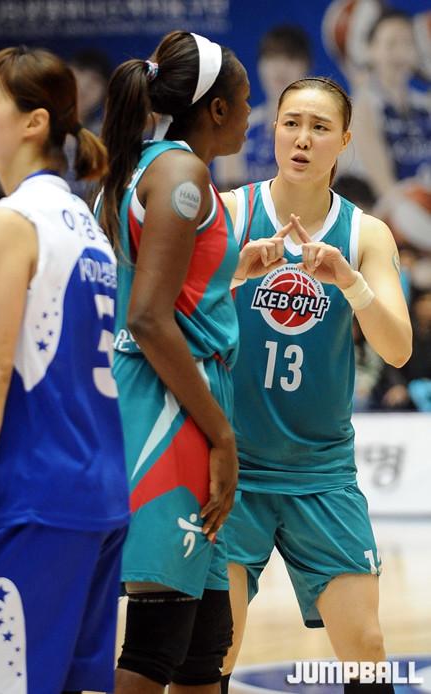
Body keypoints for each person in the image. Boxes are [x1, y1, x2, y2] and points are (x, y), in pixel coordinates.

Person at [0, 46, 129, 694]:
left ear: (34, 122)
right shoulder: (87, 226)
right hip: (99, 499)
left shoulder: (9, 221)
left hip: (33, 501)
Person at [220, 77, 412, 693]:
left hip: (321, 471)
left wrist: (351, 284)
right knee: (214, 653)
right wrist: (233, 277)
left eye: (320, 127)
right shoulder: (230, 213)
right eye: (292, 123)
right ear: (274, 130)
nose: (303, 139)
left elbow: (398, 349)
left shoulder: (366, 233)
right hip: (232, 469)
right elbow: (175, 320)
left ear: (345, 142)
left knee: (366, 649)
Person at [96, 29, 252, 694]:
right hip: (171, 412)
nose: (251, 113)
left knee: (203, 647)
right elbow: (149, 317)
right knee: (156, 646)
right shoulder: (182, 174)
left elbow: (168, 292)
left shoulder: (144, 165)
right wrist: (222, 435)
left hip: (161, 392)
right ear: (216, 109)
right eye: (246, 100)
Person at [214, 24, 311, 190]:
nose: (280, 68)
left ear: (307, 66)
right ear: (260, 66)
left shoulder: (323, 129)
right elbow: (227, 190)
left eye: (291, 58)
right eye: (272, 58)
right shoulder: (237, 127)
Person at [349, 9, 431, 200]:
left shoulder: (424, 105)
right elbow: (385, 189)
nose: (401, 53)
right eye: (391, 44)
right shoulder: (362, 108)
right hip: (385, 212)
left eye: (408, 43)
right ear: (371, 50)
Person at [64, 47, 113, 198]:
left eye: (95, 80)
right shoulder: (33, 128)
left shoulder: (105, 140)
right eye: (80, 71)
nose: (84, 85)